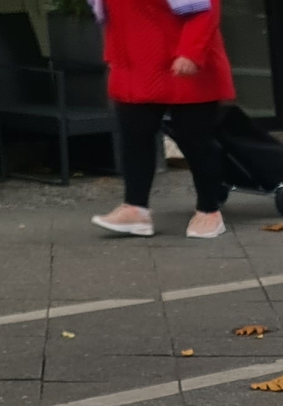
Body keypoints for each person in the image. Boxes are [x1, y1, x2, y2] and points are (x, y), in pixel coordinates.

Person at [91, 0, 237, 239]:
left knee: (194, 139)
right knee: (134, 136)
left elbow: (205, 11)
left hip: (183, 62)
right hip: (135, 65)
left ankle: (209, 210)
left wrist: (191, 52)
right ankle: (135, 209)